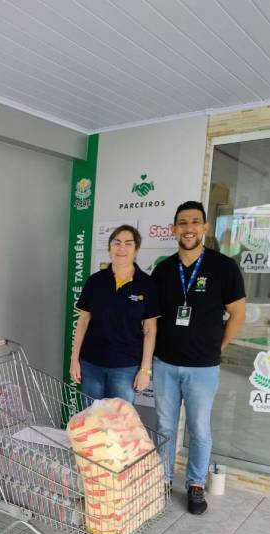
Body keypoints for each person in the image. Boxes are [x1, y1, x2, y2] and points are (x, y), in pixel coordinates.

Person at [152, 201, 246, 514]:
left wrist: (218, 348)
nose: (188, 228)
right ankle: (162, 481)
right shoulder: (164, 269)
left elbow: (238, 314)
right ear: (174, 229)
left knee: (199, 429)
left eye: (195, 222)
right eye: (182, 222)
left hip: (203, 367)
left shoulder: (224, 267)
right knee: (165, 427)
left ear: (204, 227)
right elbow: (151, 318)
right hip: (165, 364)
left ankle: (195, 485)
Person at [70, 225, 159, 403]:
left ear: (136, 250)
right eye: (117, 243)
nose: (121, 248)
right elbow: (83, 321)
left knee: (120, 418)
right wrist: (74, 360)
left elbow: (150, 330)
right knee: (91, 417)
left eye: (128, 243)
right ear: (109, 248)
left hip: (126, 367)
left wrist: (145, 369)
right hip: (91, 364)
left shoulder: (147, 284)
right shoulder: (95, 281)